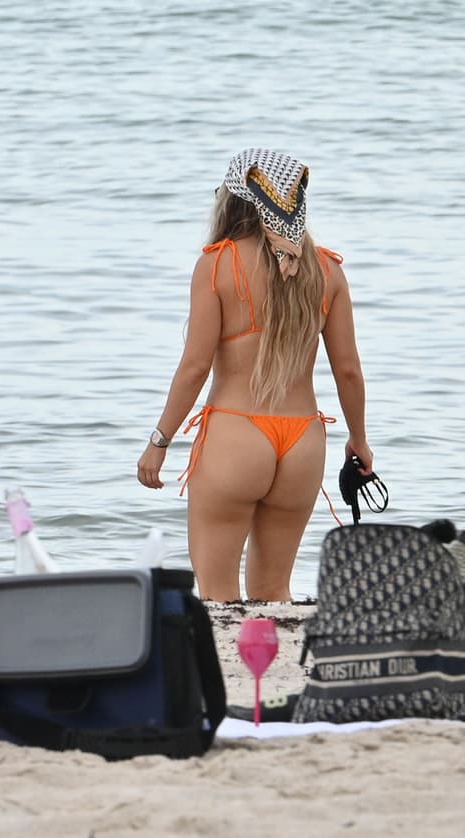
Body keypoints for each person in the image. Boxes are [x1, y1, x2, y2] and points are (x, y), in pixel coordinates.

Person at [136, 149, 371, 602]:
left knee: (217, 594)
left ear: (235, 200)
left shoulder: (218, 263)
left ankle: (222, 674)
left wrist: (159, 441)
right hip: (303, 440)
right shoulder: (328, 271)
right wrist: (359, 440)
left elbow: (194, 368)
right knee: (273, 592)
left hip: (236, 434)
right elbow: (348, 370)